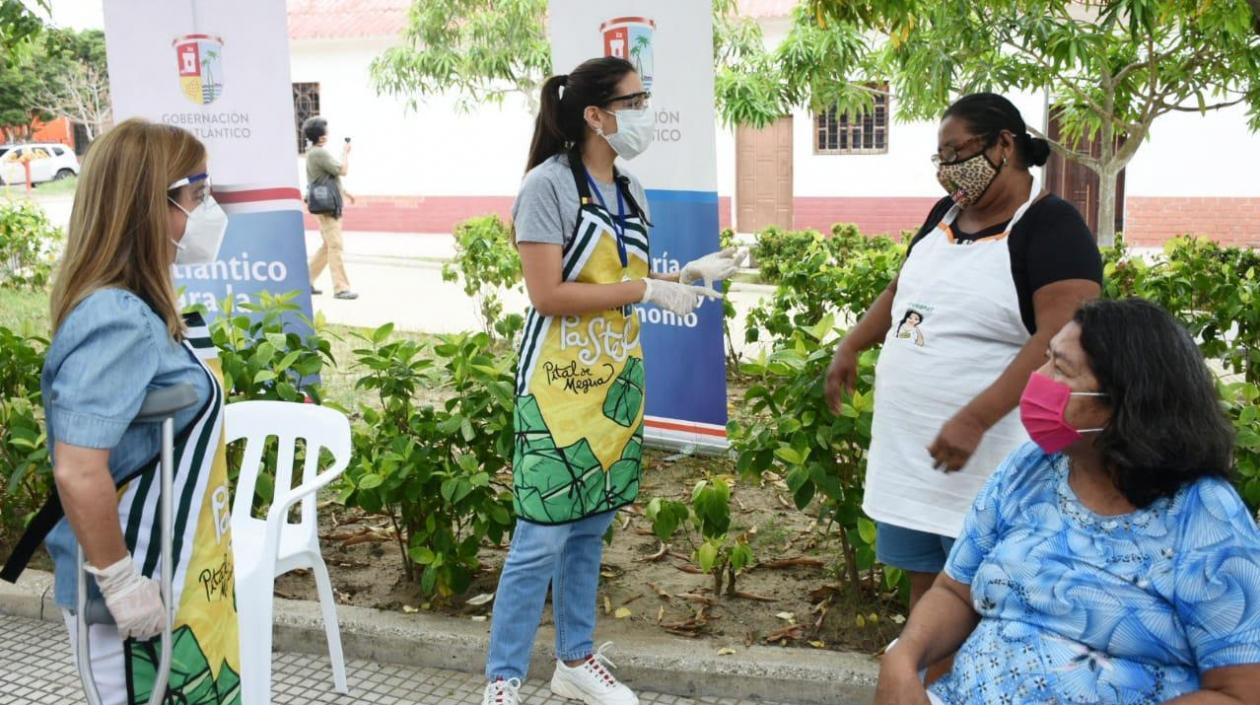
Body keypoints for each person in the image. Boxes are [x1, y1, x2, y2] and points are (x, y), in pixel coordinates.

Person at [482, 57, 736, 705]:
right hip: (554, 391)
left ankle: (574, 659)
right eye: (634, 100)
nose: (645, 110)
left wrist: (688, 277)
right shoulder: (547, 187)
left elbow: (619, 286)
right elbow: (547, 294)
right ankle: (503, 679)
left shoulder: (631, 189)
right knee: (538, 541)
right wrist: (649, 286)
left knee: (591, 530)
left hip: (614, 386)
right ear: (595, 115)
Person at [876, 298, 1260, 705]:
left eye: (1060, 369)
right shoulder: (1029, 469)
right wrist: (903, 658)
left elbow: (1240, 693)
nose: (1037, 380)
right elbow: (955, 592)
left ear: (1124, 401)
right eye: (1046, 360)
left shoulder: (1206, 517)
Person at [825, 93, 1103, 615]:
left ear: (1004, 144)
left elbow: (1059, 342)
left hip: (988, 461)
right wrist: (852, 344)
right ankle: (925, 682)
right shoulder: (944, 214)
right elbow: (900, 291)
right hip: (914, 461)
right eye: (941, 157)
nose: (948, 169)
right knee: (925, 588)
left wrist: (975, 419)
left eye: (957, 152)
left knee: (984, 596)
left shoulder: (1052, 227)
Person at [0, 119, 240, 704]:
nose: (206, 212)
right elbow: (78, 467)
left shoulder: (143, 309)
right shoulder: (116, 317)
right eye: (196, 195)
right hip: (139, 599)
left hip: (184, 584)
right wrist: (121, 583)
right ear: (149, 206)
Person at [303, 115, 358, 300]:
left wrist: (347, 194)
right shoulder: (319, 153)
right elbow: (343, 170)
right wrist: (345, 152)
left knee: (328, 246)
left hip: (323, 206)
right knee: (335, 245)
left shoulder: (313, 153)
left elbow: (327, 180)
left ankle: (306, 280)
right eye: (325, 131)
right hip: (328, 209)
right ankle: (341, 288)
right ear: (321, 136)